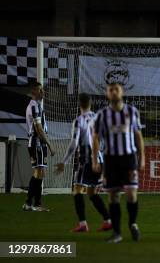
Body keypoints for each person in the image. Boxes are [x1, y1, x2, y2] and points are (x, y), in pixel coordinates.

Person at [92, 82, 145, 243]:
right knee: (113, 196)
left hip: (128, 158)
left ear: (122, 92)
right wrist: (95, 160)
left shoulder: (132, 111)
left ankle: (133, 224)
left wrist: (142, 157)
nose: (114, 92)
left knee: (131, 194)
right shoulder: (101, 115)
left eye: (117, 89)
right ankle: (117, 232)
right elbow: (96, 138)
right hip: (110, 160)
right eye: (111, 90)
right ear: (107, 94)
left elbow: (138, 136)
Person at [56, 93, 112, 232]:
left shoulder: (79, 120)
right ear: (90, 103)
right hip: (99, 159)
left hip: (87, 159)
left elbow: (74, 143)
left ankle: (82, 224)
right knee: (92, 192)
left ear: (79, 104)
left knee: (76, 190)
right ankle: (108, 220)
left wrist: (64, 161)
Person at [22, 81, 55, 212]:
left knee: (40, 172)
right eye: (40, 90)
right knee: (38, 172)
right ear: (34, 92)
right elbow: (39, 129)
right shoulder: (34, 106)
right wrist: (50, 145)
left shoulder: (37, 106)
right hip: (37, 142)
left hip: (38, 143)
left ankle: (31, 203)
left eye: (43, 90)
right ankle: (34, 204)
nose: (43, 92)